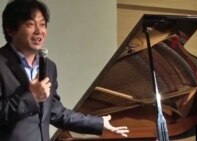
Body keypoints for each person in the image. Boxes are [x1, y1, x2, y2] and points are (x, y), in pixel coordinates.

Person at [0, 0, 129, 141]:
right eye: (30, 24)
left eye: (42, 24)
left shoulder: (49, 66)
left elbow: (56, 113)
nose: (39, 31)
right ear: (11, 29)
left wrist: (98, 123)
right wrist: (31, 98)